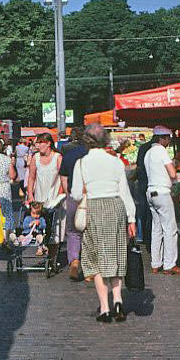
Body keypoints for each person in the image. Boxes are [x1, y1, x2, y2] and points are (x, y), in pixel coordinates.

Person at [71, 125, 136, 323]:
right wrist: (131, 218)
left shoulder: (81, 163)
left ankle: (105, 308)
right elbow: (125, 191)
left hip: (94, 208)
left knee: (95, 259)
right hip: (115, 207)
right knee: (115, 254)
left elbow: (74, 194)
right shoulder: (115, 161)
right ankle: (118, 300)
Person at [145, 126, 180, 275]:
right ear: (162, 138)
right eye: (167, 139)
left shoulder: (148, 153)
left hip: (150, 192)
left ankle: (155, 263)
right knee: (170, 229)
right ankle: (169, 264)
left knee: (157, 229)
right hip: (162, 193)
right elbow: (172, 173)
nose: (168, 142)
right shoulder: (161, 151)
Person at [59, 127, 88, 280]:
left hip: (72, 196)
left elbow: (63, 178)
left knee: (72, 232)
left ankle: (74, 261)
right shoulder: (91, 154)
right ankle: (90, 268)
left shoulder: (68, 155)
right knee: (90, 231)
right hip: (90, 197)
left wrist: (68, 194)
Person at [26, 132, 62, 206]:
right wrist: (30, 195)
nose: (38, 145)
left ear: (48, 143)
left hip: (54, 198)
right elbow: (31, 177)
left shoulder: (58, 157)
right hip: (39, 198)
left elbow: (63, 178)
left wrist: (59, 196)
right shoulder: (35, 157)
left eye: (40, 142)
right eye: (37, 143)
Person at [135, 135, 155, 248]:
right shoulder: (156, 149)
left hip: (142, 183)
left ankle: (143, 237)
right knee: (151, 214)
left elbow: (138, 166)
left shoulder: (143, 148)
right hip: (150, 183)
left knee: (143, 212)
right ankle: (149, 239)